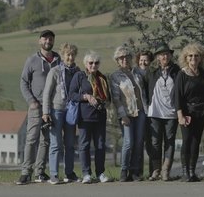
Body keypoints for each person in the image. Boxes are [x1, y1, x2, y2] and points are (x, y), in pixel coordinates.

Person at [16, 30, 61, 185]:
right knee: (32, 139)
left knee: (46, 140)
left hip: (54, 106)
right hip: (37, 106)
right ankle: (25, 172)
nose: (48, 41)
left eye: (51, 38)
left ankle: (39, 172)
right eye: (45, 38)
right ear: (40, 41)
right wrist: (31, 101)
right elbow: (23, 82)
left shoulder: (58, 59)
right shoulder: (32, 60)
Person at [69, 51, 113, 184]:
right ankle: (86, 173)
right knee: (84, 145)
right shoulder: (80, 76)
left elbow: (108, 97)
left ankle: (100, 173)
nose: (94, 65)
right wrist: (86, 96)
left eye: (96, 63)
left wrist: (105, 101)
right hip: (85, 117)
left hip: (100, 116)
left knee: (100, 146)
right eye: (91, 63)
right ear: (86, 64)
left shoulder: (102, 78)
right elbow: (72, 94)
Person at [42, 42, 81, 184]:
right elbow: (46, 93)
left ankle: (69, 173)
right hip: (56, 109)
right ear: (63, 56)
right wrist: (46, 112)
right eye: (67, 55)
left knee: (70, 144)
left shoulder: (78, 71)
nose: (70, 57)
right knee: (56, 143)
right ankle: (53, 174)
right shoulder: (55, 71)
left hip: (71, 110)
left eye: (72, 55)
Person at [175, 43, 204, 182]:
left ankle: (192, 171)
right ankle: (185, 172)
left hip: (200, 113)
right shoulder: (182, 74)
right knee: (187, 141)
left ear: (201, 58)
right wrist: (180, 115)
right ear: (186, 57)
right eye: (190, 56)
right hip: (186, 113)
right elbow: (177, 96)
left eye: (196, 55)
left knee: (196, 142)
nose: (193, 58)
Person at [110, 46, 146, 182]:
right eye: (121, 58)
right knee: (128, 143)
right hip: (126, 113)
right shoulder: (115, 76)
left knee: (138, 142)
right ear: (117, 60)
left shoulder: (137, 73)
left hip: (141, 111)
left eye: (127, 57)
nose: (124, 59)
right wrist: (122, 115)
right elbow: (116, 98)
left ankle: (135, 171)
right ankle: (124, 170)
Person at [146, 42, 180, 181]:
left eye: (167, 54)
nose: (164, 56)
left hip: (171, 113)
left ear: (170, 55)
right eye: (161, 54)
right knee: (155, 142)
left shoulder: (177, 71)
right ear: (157, 57)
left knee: (169, 142)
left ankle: (166, 170)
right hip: (155, 112)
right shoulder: (152, 72)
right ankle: (156, 169)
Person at [135, 49, 153, 179]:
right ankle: (138, 172)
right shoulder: (134, 73)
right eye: (141, 60)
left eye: (146, 60)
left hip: (153, 111)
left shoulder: (153, 73)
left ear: (150, 61)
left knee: (152, 143)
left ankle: (153, 171)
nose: (143, 62)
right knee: (139, 142)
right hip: (140, 111)